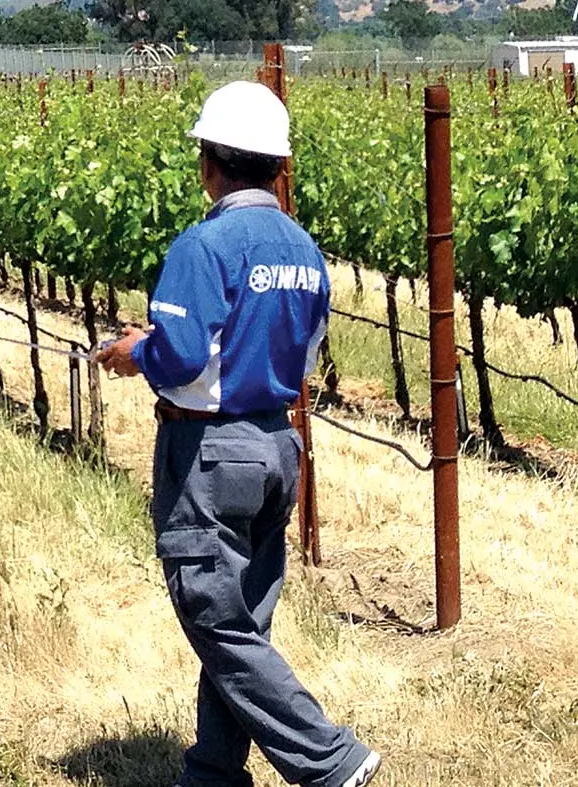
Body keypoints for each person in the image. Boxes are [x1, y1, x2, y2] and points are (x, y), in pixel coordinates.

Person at [97, 79, 380, 787]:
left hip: (210, 452)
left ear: (210, 163)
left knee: (213, 618)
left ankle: (327, 758)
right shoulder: (305, 250)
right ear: (277, 166)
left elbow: (184, 355)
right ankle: (213, 772)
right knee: (244, 619)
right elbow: (308, 349)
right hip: (279, 446)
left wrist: (138, 352)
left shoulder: (205, 245)